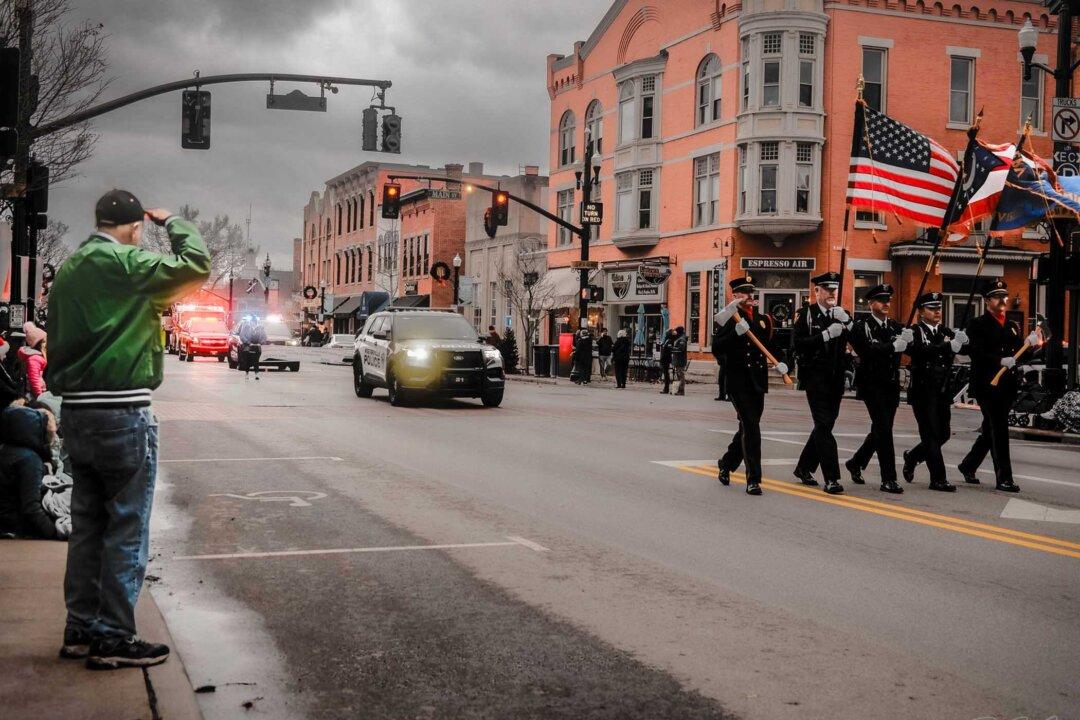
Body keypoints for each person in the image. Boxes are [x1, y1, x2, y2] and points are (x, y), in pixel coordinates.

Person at [47, 189, 210, 669]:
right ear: (136, 227)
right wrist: (174, 220)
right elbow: (196, 265)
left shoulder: (72, 269)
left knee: (88, 526)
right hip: (123, 411)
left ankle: (79, 629)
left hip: (77, 411)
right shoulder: (130, 265)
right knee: (126, 525)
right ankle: (114, 635)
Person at [713, 276, 785, 495]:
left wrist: (784, 363)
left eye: (752, 293)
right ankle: (754, 479)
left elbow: (772, 346)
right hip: (738, 381)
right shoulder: (730, 320)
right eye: (745, 293)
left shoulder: (763, 320)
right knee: (752, 427)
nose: (750, 297)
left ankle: (726, 463)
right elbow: (717, 348)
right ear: (735, 296)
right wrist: (735, 334)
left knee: (747, 427)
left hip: (757, 381)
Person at [956, 280, 1030, 493]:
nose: (1002, 300)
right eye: (997, 296)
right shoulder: (977, 324)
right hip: (987, 384)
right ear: (987, 300)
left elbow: (1020, 353)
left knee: (990, 430)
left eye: (1004, 296)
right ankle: (1004, 477)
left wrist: (1032, 344)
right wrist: (999, 360)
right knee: (999, 429)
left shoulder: (1012, 325)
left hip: (1007, 385)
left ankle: (968, 465)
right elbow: (975, 352)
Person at [845, 284, 908, 494]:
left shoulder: (895, 327)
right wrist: (892, 346)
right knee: (883, 429)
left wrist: (910, 338)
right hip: (872, 385)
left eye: (888, 300)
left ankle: (856, 462)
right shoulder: (861, 326)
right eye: (881, 300)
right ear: (871, 303)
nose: (886, 304)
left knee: (881, 429)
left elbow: (913, 346)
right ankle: (888, 478)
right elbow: (867, 350)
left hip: (890, 384)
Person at [792, 271, 850, 495]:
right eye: (827, 289)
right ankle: (832, 477)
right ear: (816, 291)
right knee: (824, 425)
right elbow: (798, 344)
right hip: (815, 377)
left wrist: (847, 321)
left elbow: (856, 341)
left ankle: (804, 467)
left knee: (825, 425)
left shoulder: (841, 314)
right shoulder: (806, 314)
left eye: (834, 289)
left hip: (836, 377)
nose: (831, 293)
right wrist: (825, 335)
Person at [902, 292, 963, 491]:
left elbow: (965, 349)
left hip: (942, 391)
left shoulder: (945, 331)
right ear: (921, 311)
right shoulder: (915, 331)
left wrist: (964, 341)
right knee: (929, 434)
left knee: (943, 433)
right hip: (922, 390)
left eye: (939, 308)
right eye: (932, 308)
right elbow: (917, 351)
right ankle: (938, 478)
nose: (937, 311)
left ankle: (912, 457)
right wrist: (946, 347)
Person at [0, 405, 67, 540]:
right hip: (15, 525)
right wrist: (55, 533)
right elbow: (31, 509)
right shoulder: (30, 460)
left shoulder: (5, 450)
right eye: (50, 433)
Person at [19, 321, 48, 400]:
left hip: (37, 391)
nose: (46, 344)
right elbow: (34, 379)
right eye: (44, 342)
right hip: (35, 394)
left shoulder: (36, 356)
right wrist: (39, 396)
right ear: (38, 343)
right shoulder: (34, 358)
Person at [671, 326, 688, 395]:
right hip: (678, 359)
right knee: (679, 374)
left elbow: (681, 349)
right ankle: (679, 390)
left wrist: (673, 349)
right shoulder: (680, 338)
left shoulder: (682, 339)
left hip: (680, 359)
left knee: (681, 375)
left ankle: (681, 390)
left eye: (677, 332)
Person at [659, 329, 675, 394]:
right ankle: (666, 388)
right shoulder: (667, 340)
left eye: (666, 333)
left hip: (666, 359)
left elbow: (669, 350)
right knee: (665, 374)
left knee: (666, 374)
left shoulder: (670, 341)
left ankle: (666, 389)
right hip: (664, 359)